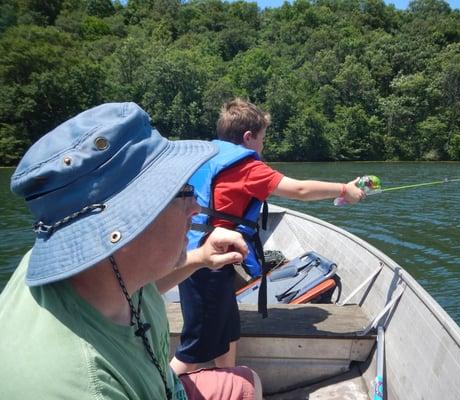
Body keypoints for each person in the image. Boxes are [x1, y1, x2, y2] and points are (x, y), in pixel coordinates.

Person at [0, 102, 263, 400]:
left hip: (162, 387)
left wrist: (200, 259)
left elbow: (137, 289)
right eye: (183, 191)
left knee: (245, 382)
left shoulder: (96, 269)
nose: (197, 207)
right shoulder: (86, 386)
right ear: (126, 222)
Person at [170, 98, 366, 375]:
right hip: (207, 264)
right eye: (262, 139)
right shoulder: (247, 168)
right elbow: (299, 190)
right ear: (249, 137)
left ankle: (231, 383)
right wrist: (344, 189)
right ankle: (160, 388)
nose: (263, 146)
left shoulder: (207, 155)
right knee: (196, 348)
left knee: (228, 332)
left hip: (203, 254)